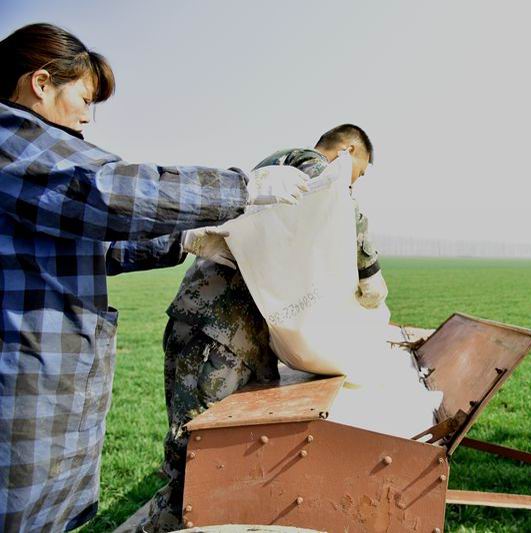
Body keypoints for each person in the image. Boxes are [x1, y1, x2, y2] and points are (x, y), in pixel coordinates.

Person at [0, 23, 309, 532]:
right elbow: (106, 190)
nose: (86, 117)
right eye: (84, 98)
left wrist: (185, 239)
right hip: (21, 382)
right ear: (40, 83)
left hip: (43, 379)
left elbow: (97, 245)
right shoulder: (12, 142)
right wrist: (240, 189)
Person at [143, 124, 386, 532]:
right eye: (356, 174)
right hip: (215, 329)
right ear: (346, 151)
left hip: (237, 333)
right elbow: (339, 203)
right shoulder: (304, 164)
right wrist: (369, 268)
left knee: (227, 454)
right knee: (198, 455)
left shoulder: (287, 178)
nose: (352, 184)